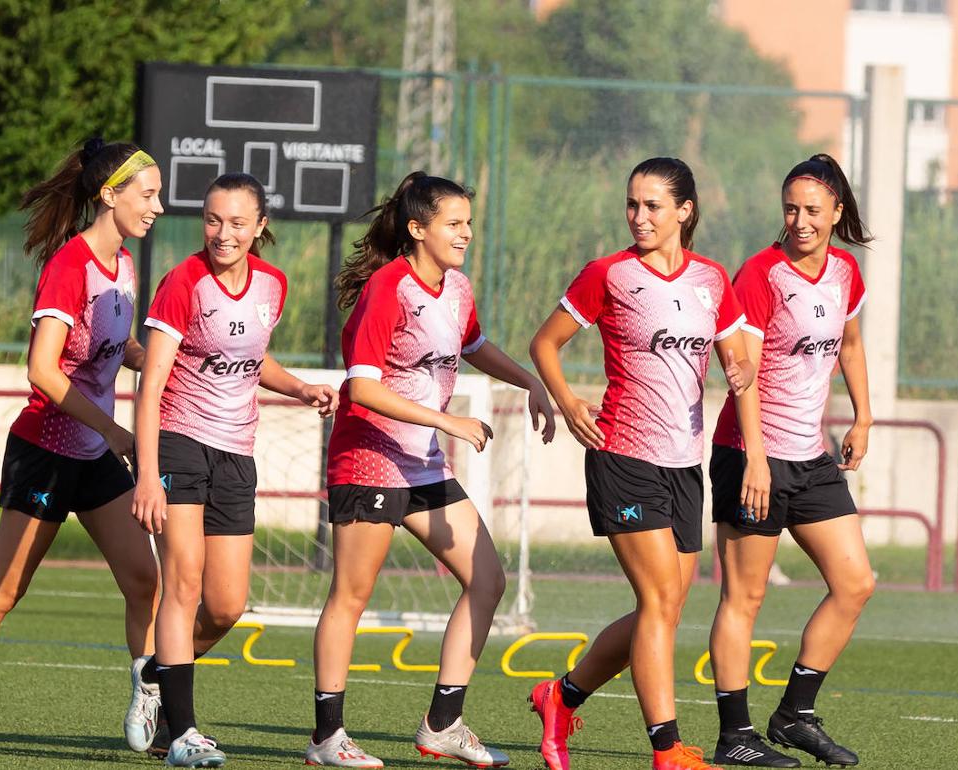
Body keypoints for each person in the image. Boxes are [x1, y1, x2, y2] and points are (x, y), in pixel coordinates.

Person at [304, 171, 556, 769]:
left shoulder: (457, 287)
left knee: (487, 580)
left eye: (468, 223)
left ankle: (442, 724)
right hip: (369, 457)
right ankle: (326, 737)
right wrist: (446, 423)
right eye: (453, 224)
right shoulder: (389, 288)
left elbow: (473, 345)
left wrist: (529, 380)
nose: (465, 233)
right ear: (417, 229)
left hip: (421, 464)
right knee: (352, 595)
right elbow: (361, 388)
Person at [528, 157, 769, 770]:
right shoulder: (608, 275)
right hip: (624, 456)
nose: (639, 216)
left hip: (685, 465)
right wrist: (567, 398)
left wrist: (741, 376)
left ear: (684, 211)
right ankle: (667, 752)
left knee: (661, 608)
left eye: (653, 205)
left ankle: (562, 696)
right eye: (632, 204)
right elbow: (545, 342)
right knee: (660, 602)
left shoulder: (713, 279)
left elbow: (740, 366)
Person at [0, 138, 163, 755]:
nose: (157, 207)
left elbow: (121, 349)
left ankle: (157, 713)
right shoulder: (70, 263)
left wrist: (164, 359)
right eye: (148, 194)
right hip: (48, 451)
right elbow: (44, 370)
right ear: (109, 196)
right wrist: (114, 431)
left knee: (144, 581)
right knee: (5, 589)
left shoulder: (126, 266)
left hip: (94, 456)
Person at [131, 172, 338, 768]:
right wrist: (148, 474)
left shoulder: (274, 284)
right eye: (213, 220)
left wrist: (298, 387)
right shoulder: (182, 283)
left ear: (260, 226)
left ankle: (155, 674)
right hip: (179, 444)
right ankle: (183, 734)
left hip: (236, 452)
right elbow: (151, 387)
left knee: (225, 606)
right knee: (184, 584)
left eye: (238, 222)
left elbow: (251, 358)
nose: (223, 233)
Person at [706, 154, 874, 768]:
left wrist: (862, 415)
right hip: (750, 453)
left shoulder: (845, 272)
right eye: (790, 209)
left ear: (835, 212)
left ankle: (795, 714)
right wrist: (755, 460)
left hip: (810, 455)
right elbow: (740, 376)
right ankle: (734, 738)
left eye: (811, 209)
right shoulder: (761, 273)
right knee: (743, 599)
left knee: (856, 583)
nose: (799, 220)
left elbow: (849, 345)